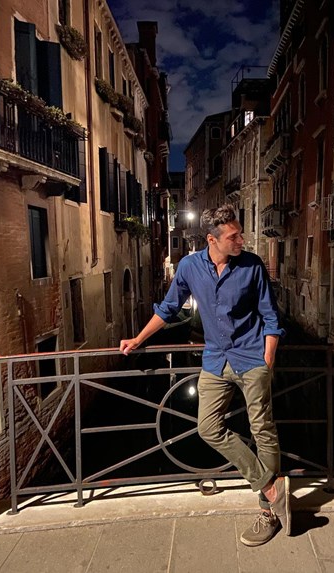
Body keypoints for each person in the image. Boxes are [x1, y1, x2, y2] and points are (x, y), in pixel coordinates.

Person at [119, 204, 290, 546]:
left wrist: (268, 357)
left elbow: (270, 316)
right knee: (208, 427)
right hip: (215, 360)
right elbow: (169, 308)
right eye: (234, 236)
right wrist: (139, 338)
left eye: (240, 234)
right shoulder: (189, 266)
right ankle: (272, 487)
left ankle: (268, 513)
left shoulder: (252, 265)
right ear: (212, 240)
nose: (241, 240)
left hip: (252, 358)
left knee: (262, 429)